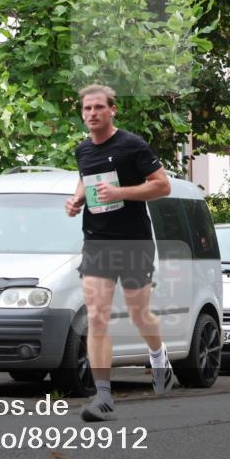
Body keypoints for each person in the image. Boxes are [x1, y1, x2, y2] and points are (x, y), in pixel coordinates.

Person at [65, 84, 172, 422]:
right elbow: (86, 178)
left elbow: (162, 185)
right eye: (87, 109)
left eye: (98, 107)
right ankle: (103, 396)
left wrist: (120, 193)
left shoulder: (132, 145)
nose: (92, 114)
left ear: (112, 110)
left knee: (140, 315)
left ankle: (157, 356)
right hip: (97, 240)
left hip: (134, 241)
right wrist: (77, 198)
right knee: (97, 315)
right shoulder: (83, 150)